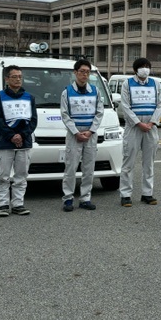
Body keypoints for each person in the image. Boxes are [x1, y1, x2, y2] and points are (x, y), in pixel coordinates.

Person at [0, 65, 38, 217]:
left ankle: (18, 204)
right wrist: (11, 135)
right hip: (4, 142)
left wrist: (22, 136)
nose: (18, 79)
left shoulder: (29, 97)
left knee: (21, 175)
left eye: (20, 77)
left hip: (24, 143)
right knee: (3, 175)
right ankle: (3, 205)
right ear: (6, 79)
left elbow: (33, 121)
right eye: (14, 77)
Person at [119, 57, 161, 207]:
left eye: (147, 66)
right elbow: (125, 106)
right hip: (133, 128)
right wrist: (138, 123)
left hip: (151, 128)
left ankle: (147, 193)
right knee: (128, 162)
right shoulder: (127, 83)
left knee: (149, 163)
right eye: (142, 66)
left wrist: (151, 123)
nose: (145, 69)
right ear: (135, 69)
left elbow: (160, 104)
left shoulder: (155, 83)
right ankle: (125, 194)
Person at [60, 59, 104, 212]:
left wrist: (91, 131)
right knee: (71, 167)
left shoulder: (95, 91)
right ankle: (68, 199)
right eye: (82, 72)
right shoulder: (67, 92)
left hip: (90, 134)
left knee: (89, 168)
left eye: (87, 72)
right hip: (74, 134)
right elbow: (65, 115)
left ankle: (85, 198)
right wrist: (76, 132)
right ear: (75, 73)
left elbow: (99, 113)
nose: (85, 75)